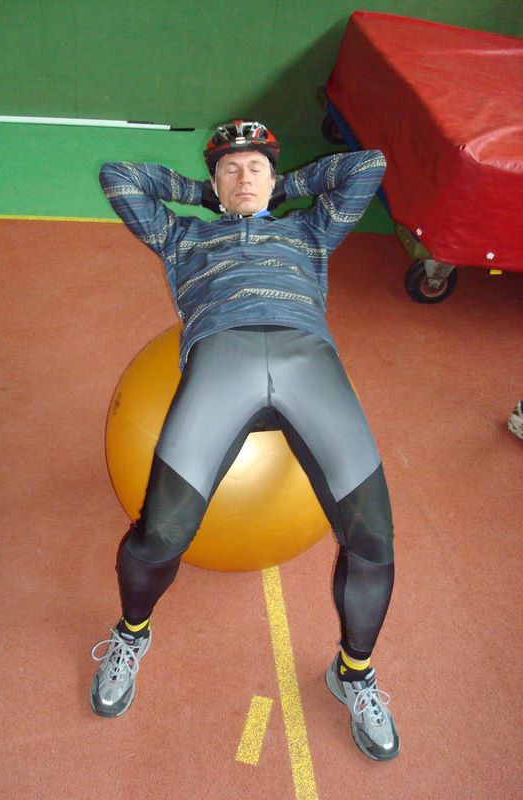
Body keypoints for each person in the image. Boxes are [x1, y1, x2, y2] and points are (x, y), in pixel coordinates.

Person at [90, 120, 399, 761]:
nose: (244, 176)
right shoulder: (184, 238)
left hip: (307, 360)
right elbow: (118, 178)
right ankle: (132, 633)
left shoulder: (310, 231)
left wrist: (288, 186)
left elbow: (367, 163)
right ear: (214, 183)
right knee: (160, 534)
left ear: (273, 177)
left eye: (257, 166)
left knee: (373, 539)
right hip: (221, 361)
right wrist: (201, 196)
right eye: (229, 169)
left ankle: (353, 673)